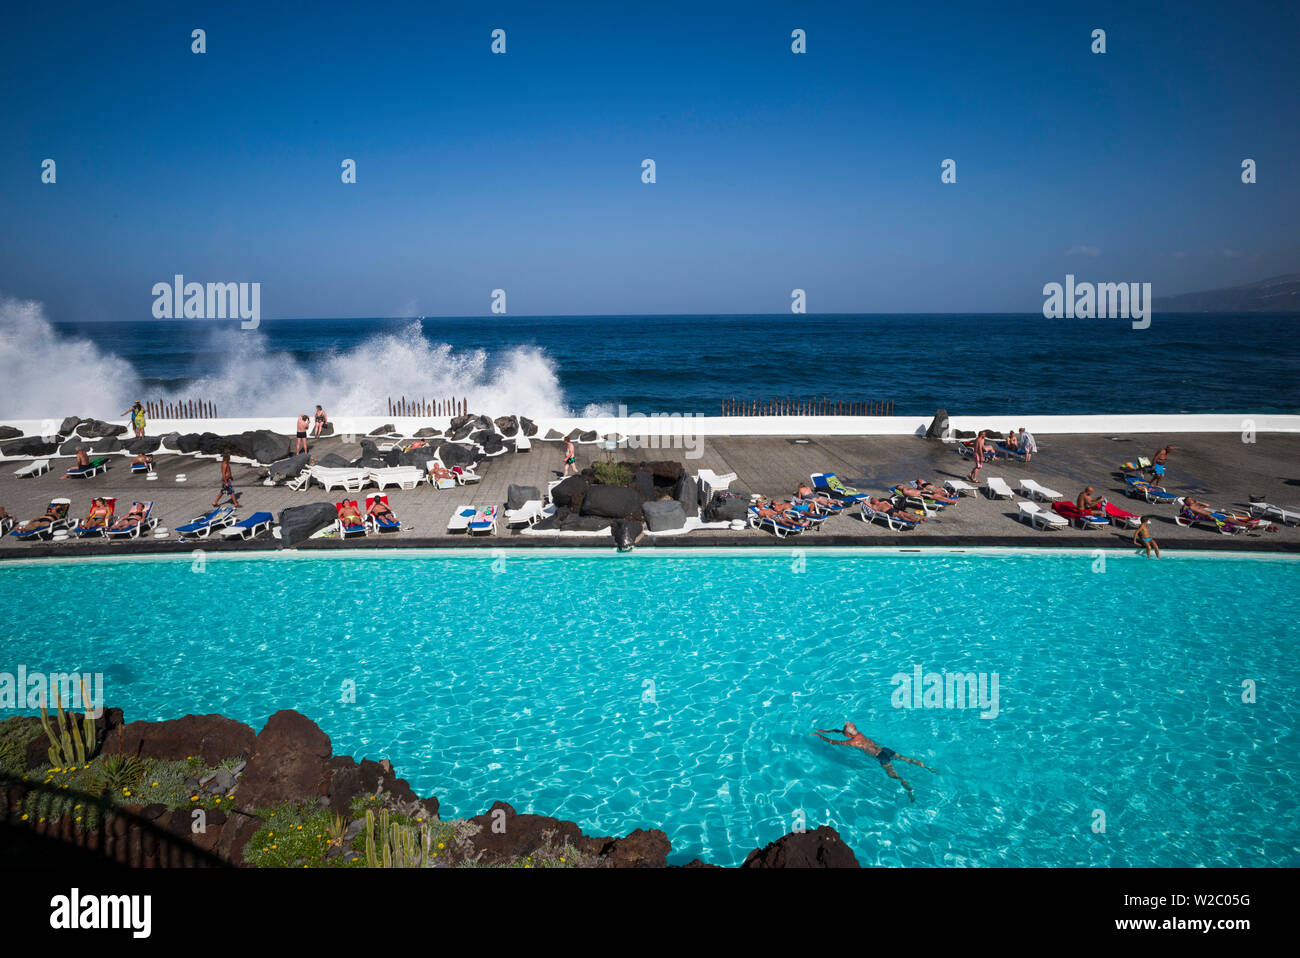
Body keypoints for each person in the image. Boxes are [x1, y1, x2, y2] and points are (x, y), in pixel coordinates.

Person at [812, 722, 939, 802]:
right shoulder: (859, 734)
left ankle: (909, 789)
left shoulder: (852, 742)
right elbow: (840, 731)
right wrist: (826, 731)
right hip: (886, 750)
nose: (843, 734)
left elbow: (833, 742)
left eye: (844, 733)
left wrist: (820, 736)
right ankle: (928, 768)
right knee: (906, 759)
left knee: (894, 775)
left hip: (881, 756)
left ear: (848, 735)